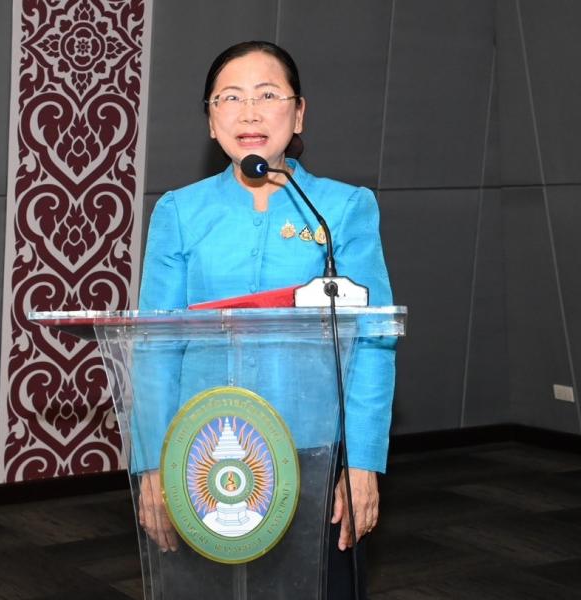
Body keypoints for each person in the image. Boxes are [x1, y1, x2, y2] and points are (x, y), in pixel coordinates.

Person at [133, 40, 395, 599]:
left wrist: (363, 462)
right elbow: (155, 346)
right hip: (202, 451)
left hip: (315, 453)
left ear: (298, 114)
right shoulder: (179, 212)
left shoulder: (342, 208)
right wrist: (152, 465)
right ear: (211, 120)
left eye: (268, 95)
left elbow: (372, 341)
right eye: (230, 98)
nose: (249, 113)